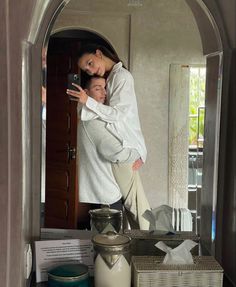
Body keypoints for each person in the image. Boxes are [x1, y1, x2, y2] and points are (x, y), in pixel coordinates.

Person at [77, 76, 150, 229]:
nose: (104, 93)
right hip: (105, 196)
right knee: (111, 247)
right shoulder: (92, 121)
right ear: (85, 93)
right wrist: (137, 152)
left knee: (111, 244)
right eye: (98, 88)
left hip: (104, 193)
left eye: (105, 88)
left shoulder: (92, 116)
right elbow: (117, 153)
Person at [66, 44, 147, 172]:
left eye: (90, 63)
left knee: (133, 192)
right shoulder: (108, 79)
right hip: (124, 149)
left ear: (98, 53)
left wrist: (87, 101)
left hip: (128, 148)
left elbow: (117, 115)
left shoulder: (122, 76)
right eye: (87, 70)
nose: (91, 71)